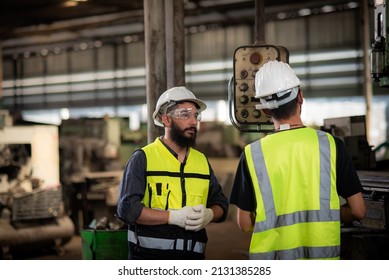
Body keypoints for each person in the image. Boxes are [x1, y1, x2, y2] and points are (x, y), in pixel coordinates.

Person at [229, 60, 366, 260]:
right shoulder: (331, 145)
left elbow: (244, 223)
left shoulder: (252, 154)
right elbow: (358, 210)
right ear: (300, 96)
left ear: (266, 110)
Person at [117, 86, 229, 260]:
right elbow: (127, 209)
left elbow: (221, 204)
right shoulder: (143, 158)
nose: (193, 121)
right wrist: (172, 217)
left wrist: (210, 214)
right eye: (185, 115)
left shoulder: (201, 161)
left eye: (195, 115)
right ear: (166, 120)